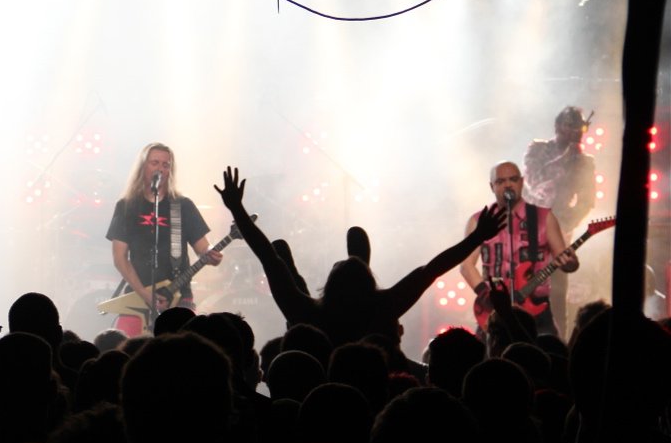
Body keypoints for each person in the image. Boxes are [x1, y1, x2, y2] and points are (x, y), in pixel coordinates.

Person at [215, 166, 506, 348]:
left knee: (280, 256)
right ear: (369, 282)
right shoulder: (385, 306)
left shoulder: (308, 312)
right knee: (291, 257)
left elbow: (267, 257)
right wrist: (476, 237)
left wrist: (237, 209)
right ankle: (353, 264)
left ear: (331, 285)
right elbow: (432, 269)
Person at [105, 143, 222, 334]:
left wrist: (211, 253)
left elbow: (203, 247)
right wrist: (145, 294)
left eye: (166, 165)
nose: (160, 168)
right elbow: (119, 258)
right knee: (128, 348)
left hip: (178, 295)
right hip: (137, 296)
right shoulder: (126, 206)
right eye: (155, 163)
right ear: (143, 167)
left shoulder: (183, 206)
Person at [460, 161, 578, 338]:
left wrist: (571, 262)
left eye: (513, 179)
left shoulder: (544, 217)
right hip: (494, 308)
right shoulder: (479, 221)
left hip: (537, 307)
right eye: (501, 181)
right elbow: (466, 266)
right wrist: (487, 296)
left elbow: (565, 260)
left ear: (522, 182)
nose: (508, 185)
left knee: (547, 353)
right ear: (492, 187)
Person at [523, 106, 596, 335]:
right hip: (527, 231)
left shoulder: (584, 162)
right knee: (524, 290)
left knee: (556, 294)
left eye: (580, 127)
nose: (577, 132)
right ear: (558, 127)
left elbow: (587, 201)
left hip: (559, 234)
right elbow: (534, 182)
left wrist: (566, 225)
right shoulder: (538, 149)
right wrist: (565, 157)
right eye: (571, 126)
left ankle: (558, 344)